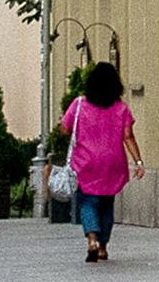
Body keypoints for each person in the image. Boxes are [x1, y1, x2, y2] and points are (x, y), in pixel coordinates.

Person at [57, 62, 136, 265]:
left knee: (88, 203)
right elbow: (128, 136)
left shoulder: (79, 104)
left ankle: (92, 240)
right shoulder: (121, 108)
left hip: (86, 163)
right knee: (107, 204)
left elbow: (64, 129)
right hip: (112, 162)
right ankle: (103, 247)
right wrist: (139, 161)